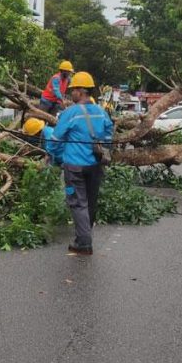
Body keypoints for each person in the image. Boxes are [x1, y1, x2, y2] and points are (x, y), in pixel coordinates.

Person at [47, 72, 113, 255]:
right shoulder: (100, 112)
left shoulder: (71, 113)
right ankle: (84, 235)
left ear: (82, 91)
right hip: (95, 166)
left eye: (73, 90)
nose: (71, 93)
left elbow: (55, 138)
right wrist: (103, 144)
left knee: (77, 202)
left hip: (74, 167)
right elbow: (109, 130)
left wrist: (53, 156)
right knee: (90, 202)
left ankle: (84, 242)